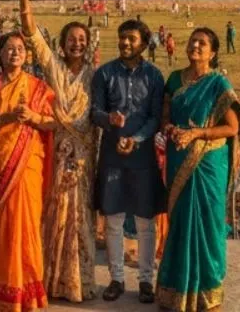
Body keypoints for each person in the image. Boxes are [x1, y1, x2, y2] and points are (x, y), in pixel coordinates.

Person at [19, 0, 97, 303]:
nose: (77, 43)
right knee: (56, 216)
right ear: (62, 44)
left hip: (84, 157)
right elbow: (32, 36)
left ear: (88, 43)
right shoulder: (54, 69)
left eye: (82, 39)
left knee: (82, 218)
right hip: (57, 150)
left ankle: (80, 283)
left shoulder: (97, 76)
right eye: (71, 39)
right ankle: (53, 280)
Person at [0, 31, 58, 312]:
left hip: (28, 162)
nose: (15, 52)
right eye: (9, 48)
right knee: (2, 226)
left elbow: (53, 123)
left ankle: (28, 288)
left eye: (20, 48)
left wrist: (33, 118)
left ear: (27, 54)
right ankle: (0, 288)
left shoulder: (37, 87)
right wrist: (7, 119)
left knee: (28, 223)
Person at [156, 28, 240, 311]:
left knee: (208, 222)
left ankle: (208, 290)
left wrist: (196, 134)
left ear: (213, 52)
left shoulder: (218, 83)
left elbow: (231, 127)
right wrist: (169, 128)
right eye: (193, 40)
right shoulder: (174, 79)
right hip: (179, 156)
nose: (195, 45)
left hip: (208, 162)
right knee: (180, 221)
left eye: (202, 43)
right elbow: (165, 117)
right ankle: (175, 290)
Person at [90, 19, 165, 304]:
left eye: (131, 39)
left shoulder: (154, 77)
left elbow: (155, 117)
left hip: (142, 156)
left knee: (146, 221)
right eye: (122, 38)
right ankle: (116, 278)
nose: (125, 43)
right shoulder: (105, 74)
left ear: (144, 43)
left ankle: (146, 280)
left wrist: (137, 138)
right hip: (112, 154)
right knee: (113, 219)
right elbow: (94, 111)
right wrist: (109, 119)